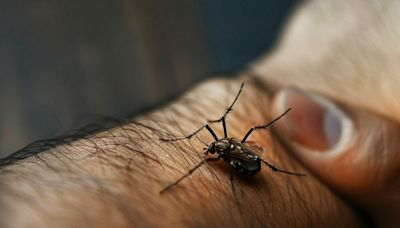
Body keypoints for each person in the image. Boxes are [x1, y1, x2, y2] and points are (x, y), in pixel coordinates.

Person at [1, 0, 398, 227]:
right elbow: (226, 145)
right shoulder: (223, 150)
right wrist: (260, 90)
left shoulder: (229, 152)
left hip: (258, 164)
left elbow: (245, 152)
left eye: (216, 148)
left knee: (252, 133)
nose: (213, 149)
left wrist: (254, 101)